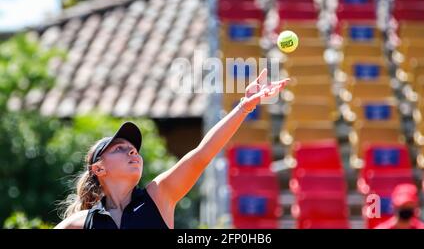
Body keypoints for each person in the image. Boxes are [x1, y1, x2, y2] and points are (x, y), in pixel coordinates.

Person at [54, 68, 289, 229]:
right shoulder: (81, 223)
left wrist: (243, 108)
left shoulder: (158, 196)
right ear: (99, 169)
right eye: (119, 149)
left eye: (133, 148)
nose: (132, 151)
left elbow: (202, 154)